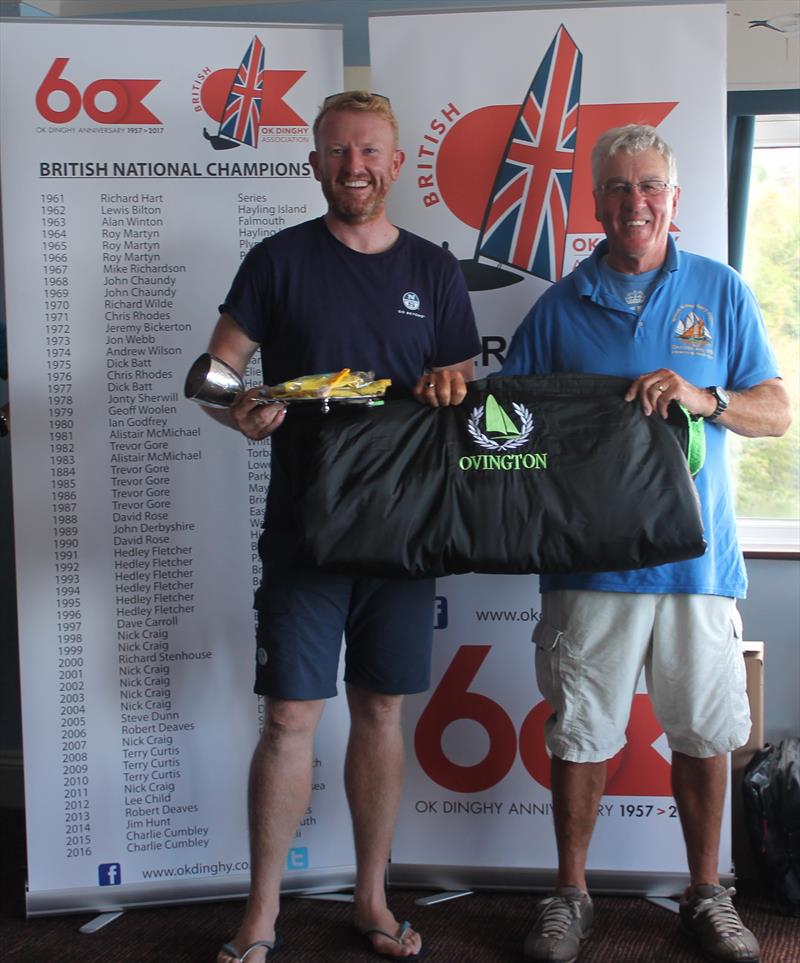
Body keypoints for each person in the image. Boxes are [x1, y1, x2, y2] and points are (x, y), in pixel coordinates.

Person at [425, 124, 791, 963]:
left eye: (651, 185)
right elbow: (511, 430)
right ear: (595, 203)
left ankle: (707, 892)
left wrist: (705, 397)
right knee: (580, 733)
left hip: (697, 567)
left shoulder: (720, 290)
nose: (637, 203)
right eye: (620, 188)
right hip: (587, 566)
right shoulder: (558, 306)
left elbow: (777, 410)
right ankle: (571, 896)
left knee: (702, 731)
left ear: (675, 195)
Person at [204, 91, 480, 963]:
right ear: (314, 163)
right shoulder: (278, 260)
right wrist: (234, 409)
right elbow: (211, 374)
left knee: (381, 709)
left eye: (368, 151)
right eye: (335, 151)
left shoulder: (435, 270)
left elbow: (460, 388)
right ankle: (261, 912)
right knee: (290, 716)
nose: (352, 165)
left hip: (404, 535)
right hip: (305, 534)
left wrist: (449, 386)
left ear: (395, 164)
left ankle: (370, 896)